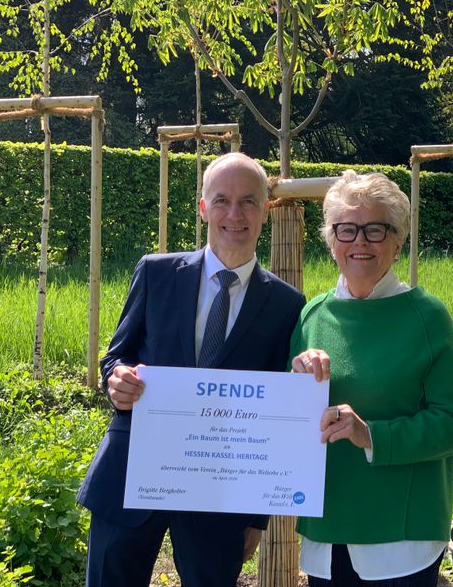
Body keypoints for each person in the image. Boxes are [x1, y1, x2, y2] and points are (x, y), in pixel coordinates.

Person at [77, 152, 305, 587]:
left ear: (266, 210)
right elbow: (117, 354)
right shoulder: (157, 273)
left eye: (249, 201)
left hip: (219, 492)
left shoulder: (285, 304)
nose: (234, 214)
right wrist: (117, 379)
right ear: (202, 208)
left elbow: (274, 412)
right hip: (132, 475)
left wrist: (256, 515)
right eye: (221, 200)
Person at [290, 170, 453, 586]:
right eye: (346, 229)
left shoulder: (426, 317)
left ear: (398, 240)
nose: (359, 241)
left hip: (399, 538)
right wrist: (296, 380)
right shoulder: (312, 316)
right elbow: (292, 421)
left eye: (375, 229)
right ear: (330, 238)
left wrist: (371, 434)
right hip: (325, 533)